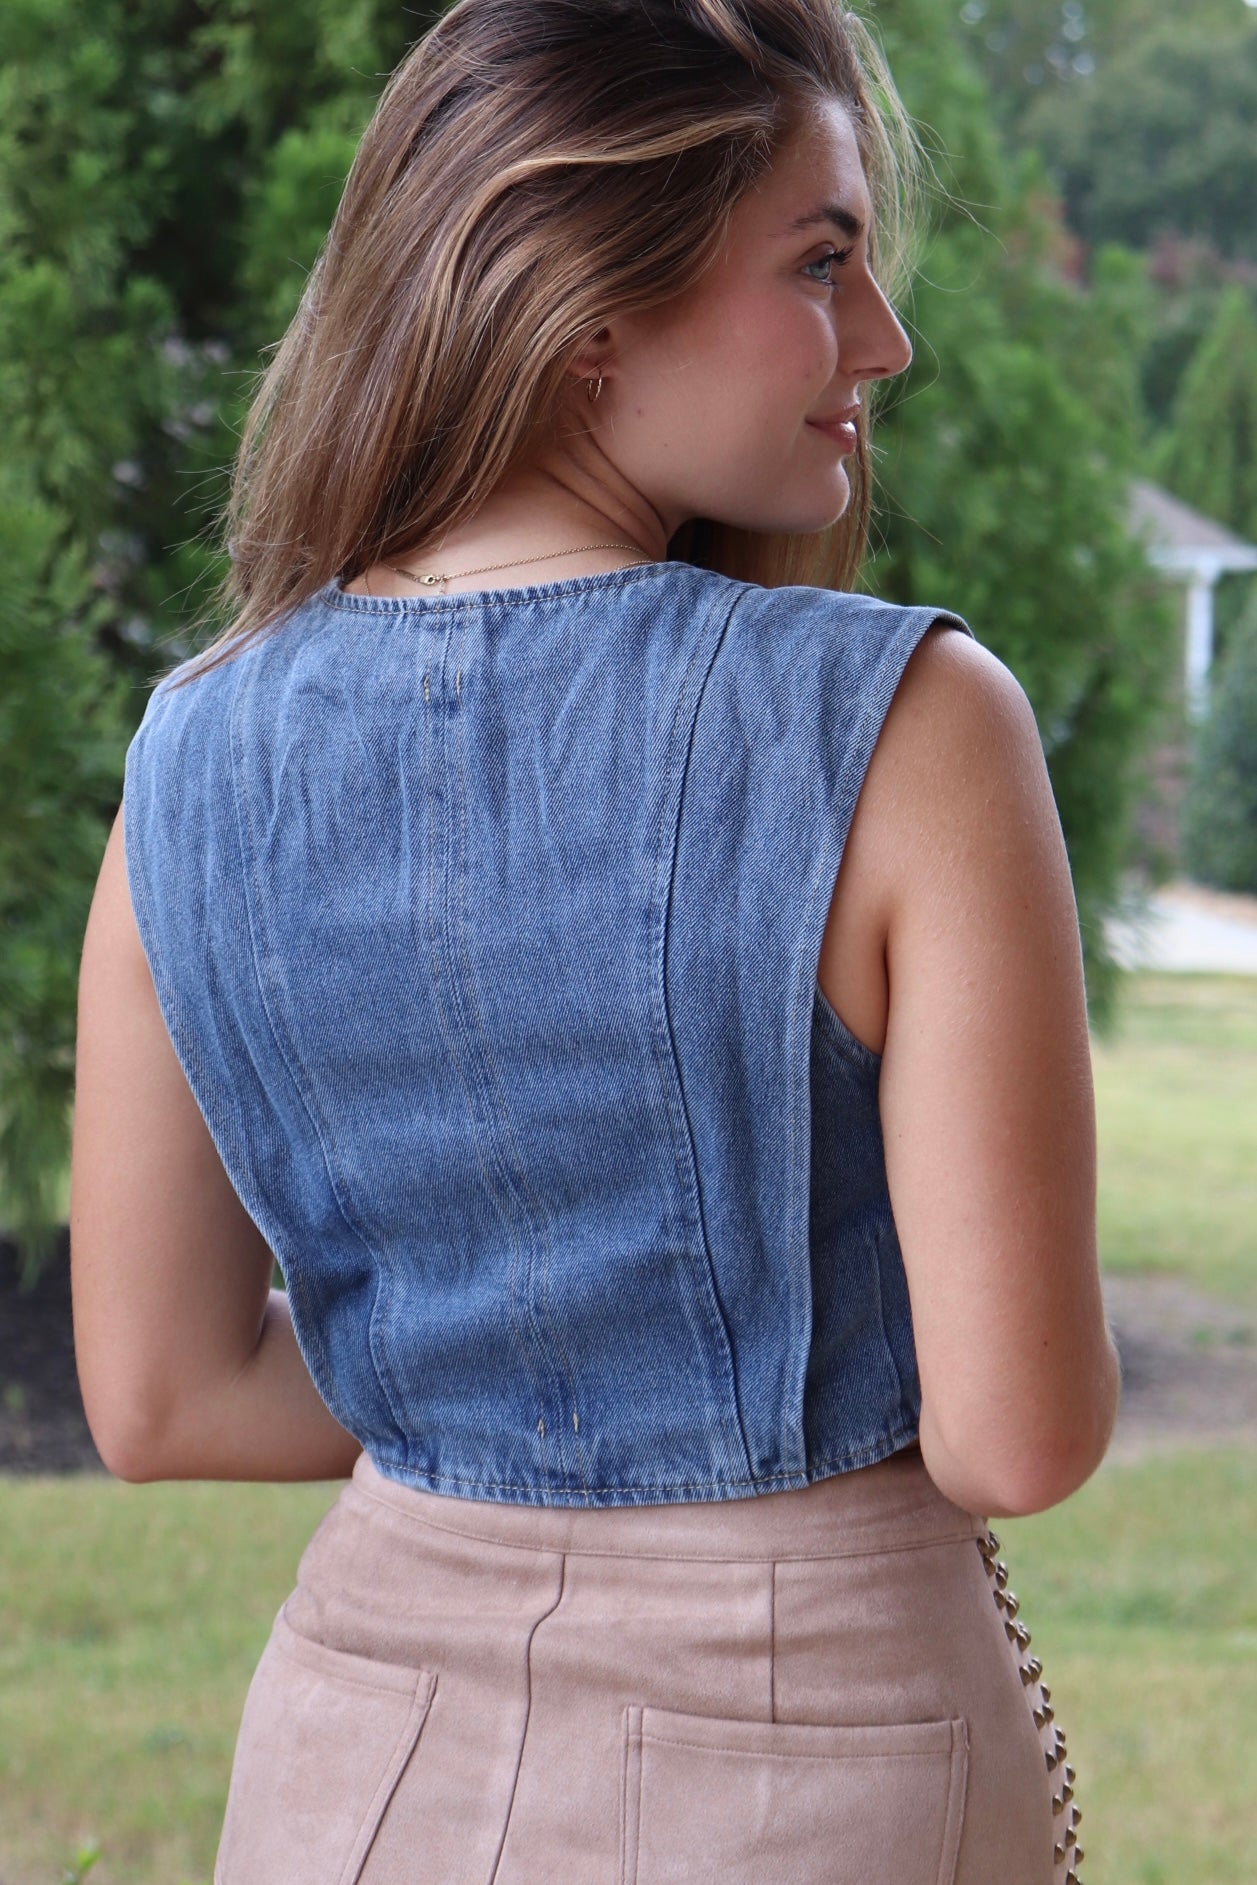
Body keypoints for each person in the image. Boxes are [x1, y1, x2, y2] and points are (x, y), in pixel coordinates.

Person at [70, 1, 1120, 1879]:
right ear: (578, 309)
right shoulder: (904, 727)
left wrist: (495, 1368)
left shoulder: (189, 758)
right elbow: (1014, 1432)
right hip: (821, 1744)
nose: (886, 337)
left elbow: (159, 1396)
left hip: (349, 1762)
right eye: (822, 260)